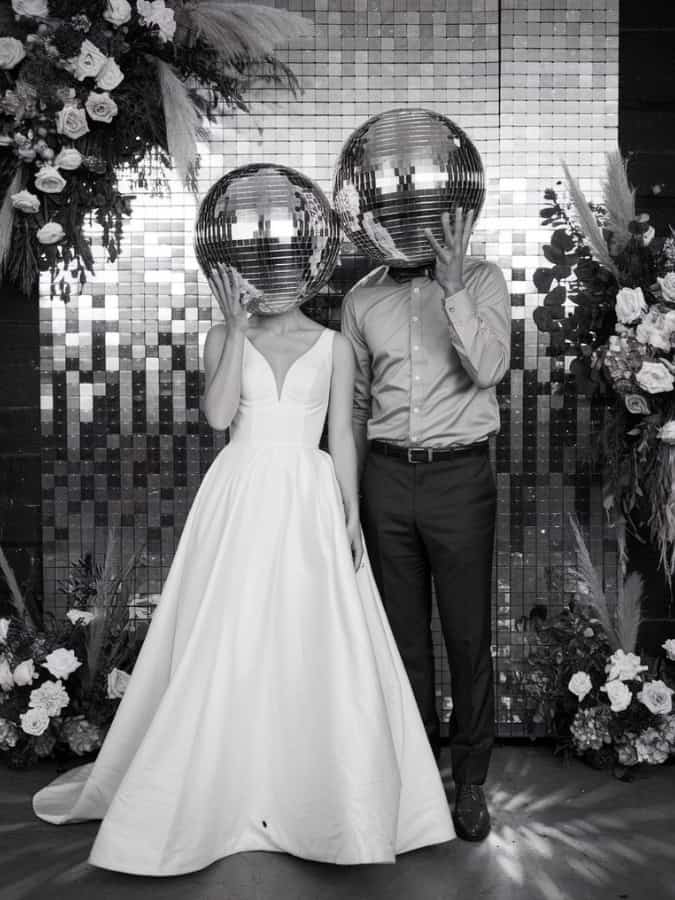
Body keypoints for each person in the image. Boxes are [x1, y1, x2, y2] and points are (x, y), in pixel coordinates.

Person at [32, 263, 454, 876]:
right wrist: (232, 327)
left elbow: (341, 433)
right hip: (238, 492)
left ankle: (316, 800)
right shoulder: (222, 336)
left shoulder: (335, 346)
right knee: (227, 634)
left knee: (310, 637)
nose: (277, 283)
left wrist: (351, 514)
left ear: (308, 277)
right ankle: (219, 793)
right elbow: (218, 415)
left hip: (308, 499)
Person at [341, 208, 511, 842]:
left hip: (461, 479)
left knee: (468, 638)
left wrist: (454, 287)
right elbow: (356, 405)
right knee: (402, 640)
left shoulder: (485, 281)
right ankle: (416, 777)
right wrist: (350, 495)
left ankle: (470, 782)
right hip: (385, 478)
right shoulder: (362, 298)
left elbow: (489, 370)